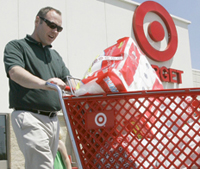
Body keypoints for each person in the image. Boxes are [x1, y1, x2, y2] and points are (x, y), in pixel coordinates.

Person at [3, 6, 70, 169]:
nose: (55, 31)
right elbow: (15, 72)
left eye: (59, 28)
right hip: (29, 116)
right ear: (37, 20)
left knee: (42, 165)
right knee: (42, 165)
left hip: (54, 121)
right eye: (52, 25)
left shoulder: (55, 56)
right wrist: (46, 84)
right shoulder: (17, 46)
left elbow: (69, 83)